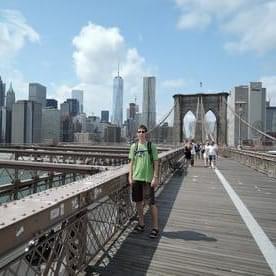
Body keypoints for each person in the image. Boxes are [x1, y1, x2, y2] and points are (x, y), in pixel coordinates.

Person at [128, 125, 159, 238]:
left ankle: (155, 227)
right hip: (136, 179)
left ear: (146, 133)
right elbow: (131, 163)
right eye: (139, 131)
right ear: (137, 134)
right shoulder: (134, 147)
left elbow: (156, 162)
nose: (141, 133)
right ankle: (141, 224)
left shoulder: (151, 146)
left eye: (143, 131)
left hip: (147, 180)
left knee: (151, 204)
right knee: (138, 203)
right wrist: (130, 177)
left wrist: (155, 177)